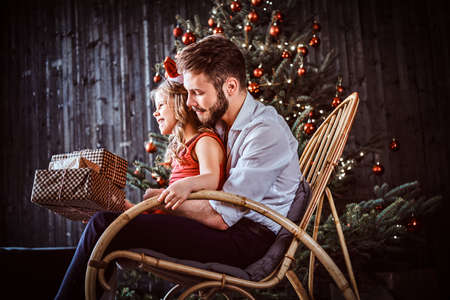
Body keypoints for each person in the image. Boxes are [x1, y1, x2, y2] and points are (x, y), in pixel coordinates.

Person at [55, 35, 302, 300]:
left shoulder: (265, 132)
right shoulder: (221, 121)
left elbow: (220, 217)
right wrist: (137, 209)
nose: (189, 102)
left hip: (245, 242)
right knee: (107, 222)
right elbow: (181, 99)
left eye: (197, 93)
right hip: (229, 228)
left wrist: (156, 202)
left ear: (230, 86)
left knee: (104, 225)